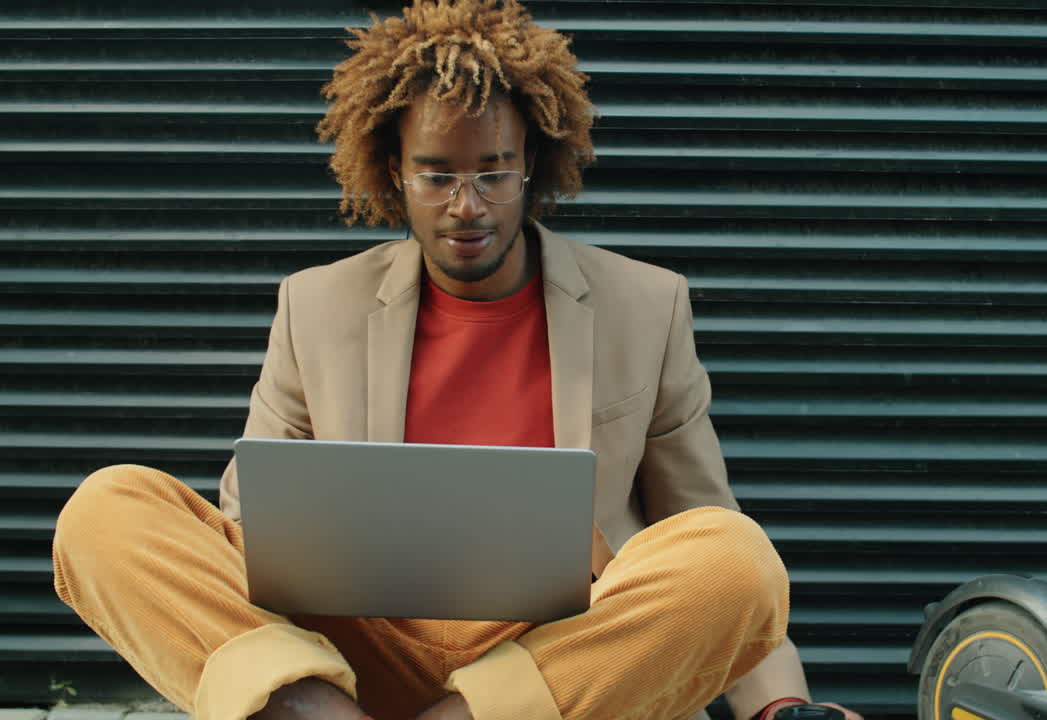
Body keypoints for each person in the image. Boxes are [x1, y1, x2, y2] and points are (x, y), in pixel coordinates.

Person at [51, 2, 862, 720]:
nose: (466, 206)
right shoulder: (315, 305)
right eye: (436, 175)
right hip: (361, 661)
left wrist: (785, 709)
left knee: (738, 553)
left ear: (533, 165)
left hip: (562, 665)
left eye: (492, 173)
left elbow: (706, 544)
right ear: (392, 172)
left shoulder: (646, 307)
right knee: (106, 509)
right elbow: (244, 531)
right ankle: (312, 713)